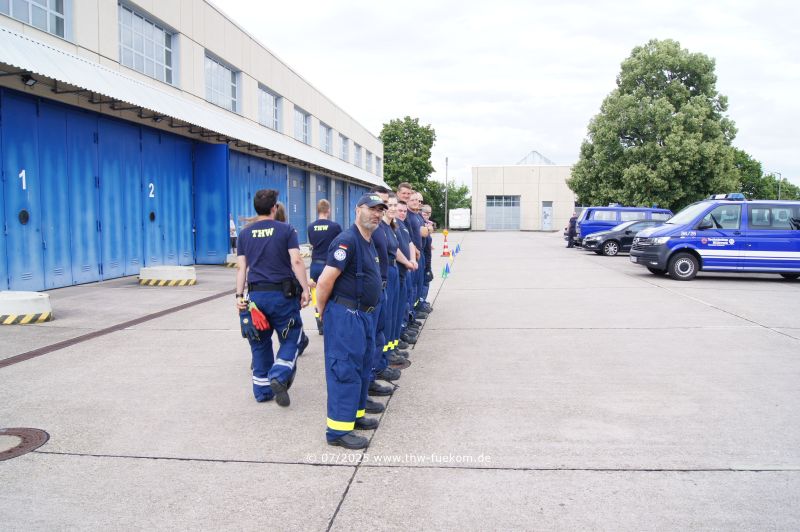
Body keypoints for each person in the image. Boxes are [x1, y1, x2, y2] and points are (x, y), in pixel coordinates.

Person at [315, 193, 387, 449]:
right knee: (344, 369)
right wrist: (322, 312)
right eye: (372, 209)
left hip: (363, 315)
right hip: (346, 316)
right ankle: (337, 431)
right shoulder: (346, 240)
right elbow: (325, 281)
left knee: (361, 366)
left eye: (380, 210)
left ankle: (354, 417)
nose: (376, 214)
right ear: (358, 210)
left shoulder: (367, 240)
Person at [236, 189, 310, 407]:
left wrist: (239, 296)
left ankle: (262, 390)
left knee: (259, 343)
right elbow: (296, 261)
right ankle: (279, 373)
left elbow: (242, 267)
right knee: (291, 336)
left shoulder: (244, 234)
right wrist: (305, 289)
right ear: (274, 208)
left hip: (255, 298)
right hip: (282, 296)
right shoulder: (286, 230)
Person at [307, 199, 342, 335]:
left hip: (315, 264)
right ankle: (330, 321)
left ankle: (319, 323)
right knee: (332, 293)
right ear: (329, 210)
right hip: (329, 265)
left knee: (316, 295)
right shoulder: (335, 227)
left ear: (318, 210)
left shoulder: (311, 227)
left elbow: (311, 242)